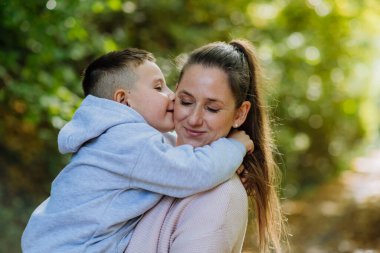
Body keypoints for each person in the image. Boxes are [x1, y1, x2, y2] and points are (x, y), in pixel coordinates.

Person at [21, 48, 254, 253]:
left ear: (239, 113)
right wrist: (233, 148)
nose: (171, 96)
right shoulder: (129, 142)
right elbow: (192, 170)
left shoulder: (111, 136)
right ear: (123, 100)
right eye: (159, 87)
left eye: (212, 108)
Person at [125, 39, 286, 253]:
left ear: (240, 114)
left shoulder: (220, 197)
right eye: (186, 102)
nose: (194, 119)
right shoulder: (154, 149)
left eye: (212, 108)